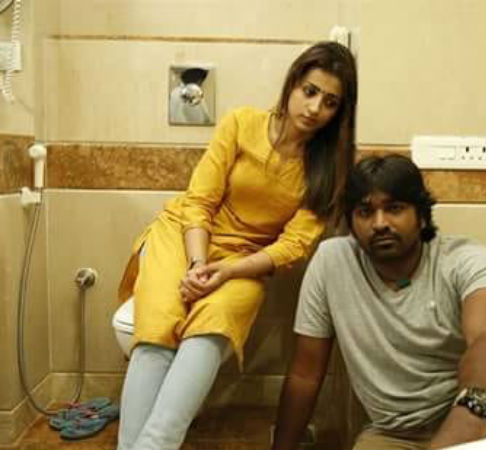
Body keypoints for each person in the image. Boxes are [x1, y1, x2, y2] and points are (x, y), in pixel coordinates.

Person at [115, 41, 358, 450]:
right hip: (184, 237)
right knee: (157, 329)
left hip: (245, 262)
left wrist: (227, 270)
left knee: (214, 325)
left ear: (340, 112)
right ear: (293, 84)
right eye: (310, 91)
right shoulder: (241, 123)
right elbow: (199, 201)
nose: (315, 108)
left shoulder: (329, 166)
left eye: (330, 102)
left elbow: (293, 245)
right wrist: (198, 265)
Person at [271, 155, 486, 450]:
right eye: (365, 212)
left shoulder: (465, 260)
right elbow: (305, 375)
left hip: (477, 404)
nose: (380, 223)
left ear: (422, 216)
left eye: (394, 208)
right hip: (394, 433)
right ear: (350, 223)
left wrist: (470, 413)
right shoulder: (332, 263)